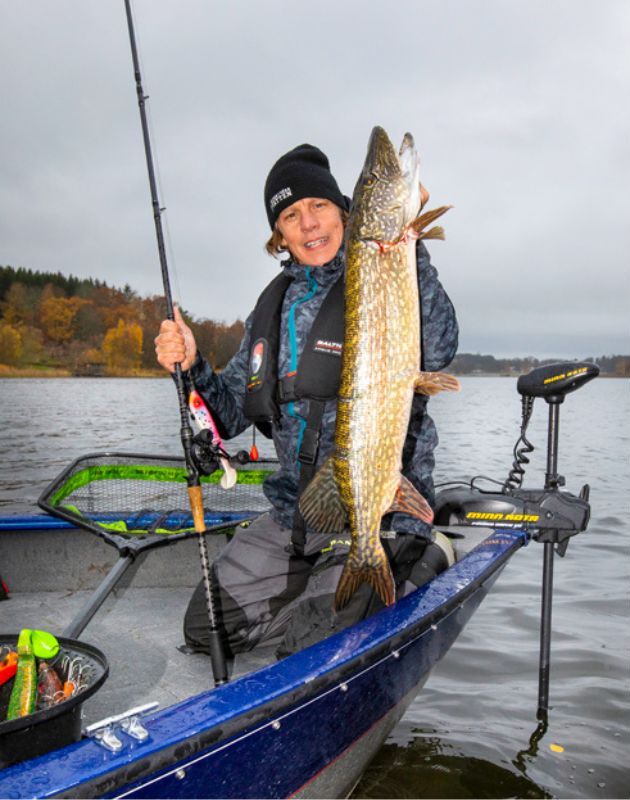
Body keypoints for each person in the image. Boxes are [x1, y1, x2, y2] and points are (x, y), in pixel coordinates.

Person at [155, 143, 459, 659]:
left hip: (379, 511)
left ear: (346, 210)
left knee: (316, 647)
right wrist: (192, 364)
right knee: (205, 630)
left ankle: (408, 558)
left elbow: (440, 345)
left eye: (318, 206)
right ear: (280, 236)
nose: (309, 223)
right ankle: (325, 597)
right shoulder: (272, 307)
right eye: (291, 215)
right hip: (299, 514)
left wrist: (411, 244)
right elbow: (228, 414)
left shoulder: (387, 267)